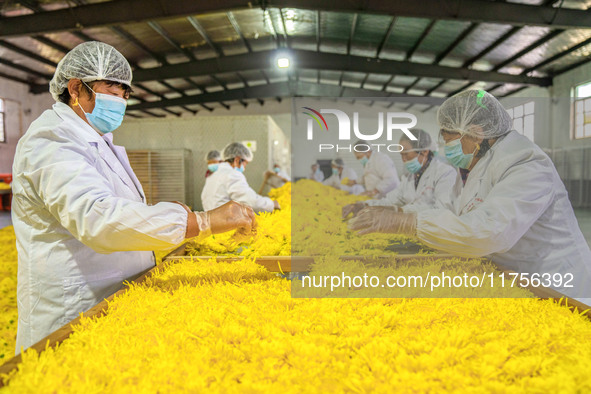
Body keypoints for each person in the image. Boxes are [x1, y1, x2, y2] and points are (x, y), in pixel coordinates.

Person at [10, 41, 256, 354]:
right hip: (73, 307)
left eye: (125, 94)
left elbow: (121, 211)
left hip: (112, 299)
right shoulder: (51, 142)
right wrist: (201, 221)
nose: (121, 102)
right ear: (75, 89)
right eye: (112, 92)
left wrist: (174, 223)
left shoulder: (97, 142)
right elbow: (98, 218)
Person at [349, 90, 591, 302]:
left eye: (450, 140)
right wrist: (397, 214)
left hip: (556, 284)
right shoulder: (474, 166)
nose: (446, 149)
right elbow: (453, 212)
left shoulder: (526, 162)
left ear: (476, 134)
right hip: (515, 279)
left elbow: (491, 232)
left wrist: (407, 222)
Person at [342, 129, 456, 217]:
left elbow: (442, 210)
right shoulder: (410, 177)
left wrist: (400, 210)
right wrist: (366, 205)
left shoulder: (444, 173)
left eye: (406, 154)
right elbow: (392, 200)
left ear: (424, 152)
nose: (403, 159)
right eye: (401, 154)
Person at [202, 142, 280, 213]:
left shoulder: (214, 174)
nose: (245, 167)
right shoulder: (232, 174)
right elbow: (251, 202)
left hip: (210, 223)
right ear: (237, 160)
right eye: (245, 163)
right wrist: (272, 204)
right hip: (223, 224)